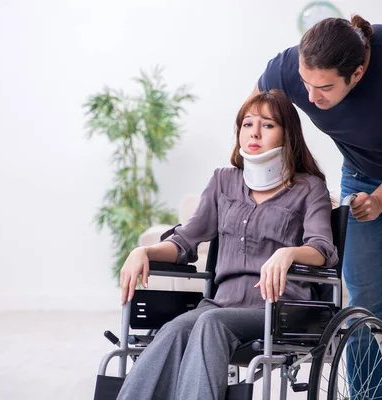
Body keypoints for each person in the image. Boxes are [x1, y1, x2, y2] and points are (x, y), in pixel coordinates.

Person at [254, 15, 382, 400]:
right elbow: (257, 125)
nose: (312, 98)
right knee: (362, 313)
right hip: (361, 180)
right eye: (305, 82)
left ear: (358, 72)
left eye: (325, 87)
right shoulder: (285, 69)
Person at [116, 89, 339, 400]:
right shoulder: (223, 181)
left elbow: (322, 249)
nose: (255, 133)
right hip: (221, 304)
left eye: (268, 125)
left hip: (278, 308)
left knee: (209, 324)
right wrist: (144, 251)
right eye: (247, 124)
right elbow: (186, 240)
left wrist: (288, 253)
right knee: (173, 330)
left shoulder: (308, 188)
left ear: (288, 136)